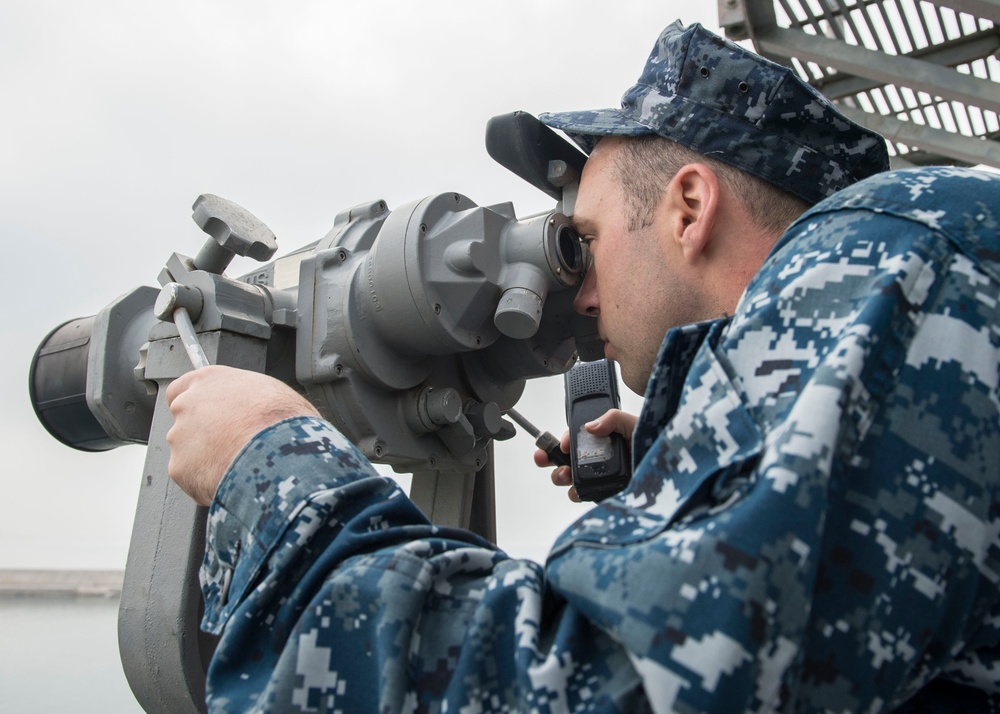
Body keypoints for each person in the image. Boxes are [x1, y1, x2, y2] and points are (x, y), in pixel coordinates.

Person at [165, 20, 1000, 712]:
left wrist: (273, 469)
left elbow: (597, 685)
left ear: (688, 207)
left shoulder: (887, 260)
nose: (583, 293)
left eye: (588, 241)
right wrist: (696, 463)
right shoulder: (911, 279)